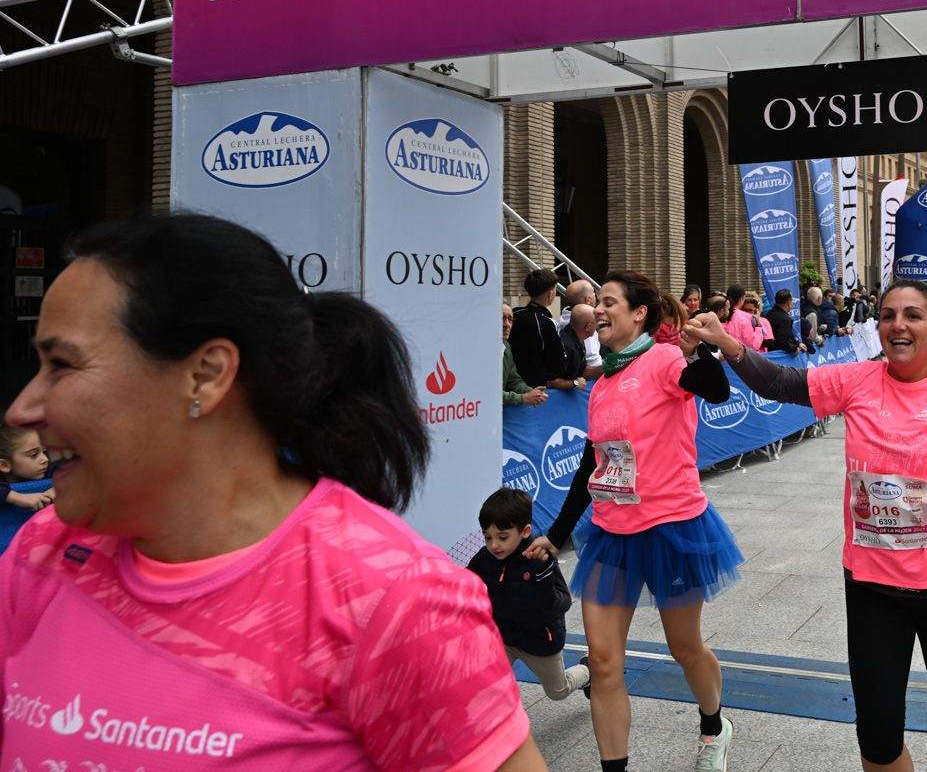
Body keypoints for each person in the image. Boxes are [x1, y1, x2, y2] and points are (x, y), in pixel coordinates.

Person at [2, 213, 546, 769]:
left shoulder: (391, 601)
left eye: (62, 365)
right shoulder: (43, 553)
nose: (23, 408)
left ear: (206, 374)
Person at [687, 281, 927, 772]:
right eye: (889, 315)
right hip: (872, 583)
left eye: (913, 316)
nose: (898, 325)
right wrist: (726, 342)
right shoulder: (858, 380)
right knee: (876, 731)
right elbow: (780, 384)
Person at [525, 271, 740, 772]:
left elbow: (716, 391)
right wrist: (556, 535)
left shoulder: (663, 359)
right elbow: (591, 465)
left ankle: (714, 726)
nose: (599, 310)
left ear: (638, 313)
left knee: (684, 647)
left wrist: (699, 350)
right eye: (597, 302)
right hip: (612, 533)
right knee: (602, 663)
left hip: (672, 527)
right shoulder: (604, 383)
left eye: (608, 302)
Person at [468, 487, 590, 702]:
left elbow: (562, 602)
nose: (494, 545)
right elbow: (465, 583)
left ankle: (589, 671)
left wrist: (542, 584)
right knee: (486, 684)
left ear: (525, 531)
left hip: (540, 640)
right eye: (487, 537)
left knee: (558, 692)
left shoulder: (540, 559)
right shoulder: (484, 558)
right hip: (503, 638)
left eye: (502, 537)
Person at [510, 268, 567, 389]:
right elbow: (558, 363)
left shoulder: (514, 314)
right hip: (537, 389)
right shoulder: (547, 323)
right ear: (550, 293)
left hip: (512, 383)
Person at [0, 425, 52, 553]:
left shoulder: (50, 473)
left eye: (44, 452)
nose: (45, 459)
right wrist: (16, 497)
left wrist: (59, 488)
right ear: (4, 465)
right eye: (34, 455)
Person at [560, 279, 606, 382]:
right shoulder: (583, 326)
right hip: (588, 384)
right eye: (594, 292)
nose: (596, 296)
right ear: (588, 299)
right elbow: (592, 364)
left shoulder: (566, 317)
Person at [504, 303, 549, 407]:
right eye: (502, 319)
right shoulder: (483, 351)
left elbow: (514, 380)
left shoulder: (506, 346)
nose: (506, 324)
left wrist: (532, 392)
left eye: (510, 319)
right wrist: (522, 398)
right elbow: (489, 392)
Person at [559, 305, 601, 390]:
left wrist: (607, 368)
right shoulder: (564, 346)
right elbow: (550, 381)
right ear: (588, 327)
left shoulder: (576, 338)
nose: (598, 326)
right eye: (597, 322)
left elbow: (582, 371)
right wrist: (575, 383)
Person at [764, 289, 804, 354]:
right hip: (778, 355)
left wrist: (798, 344)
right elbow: (783, 341)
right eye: (792, 300)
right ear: (788, 302)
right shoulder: (786, 320)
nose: (793, 303)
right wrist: (795, 349)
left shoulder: (770, 313)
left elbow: (788, 336)